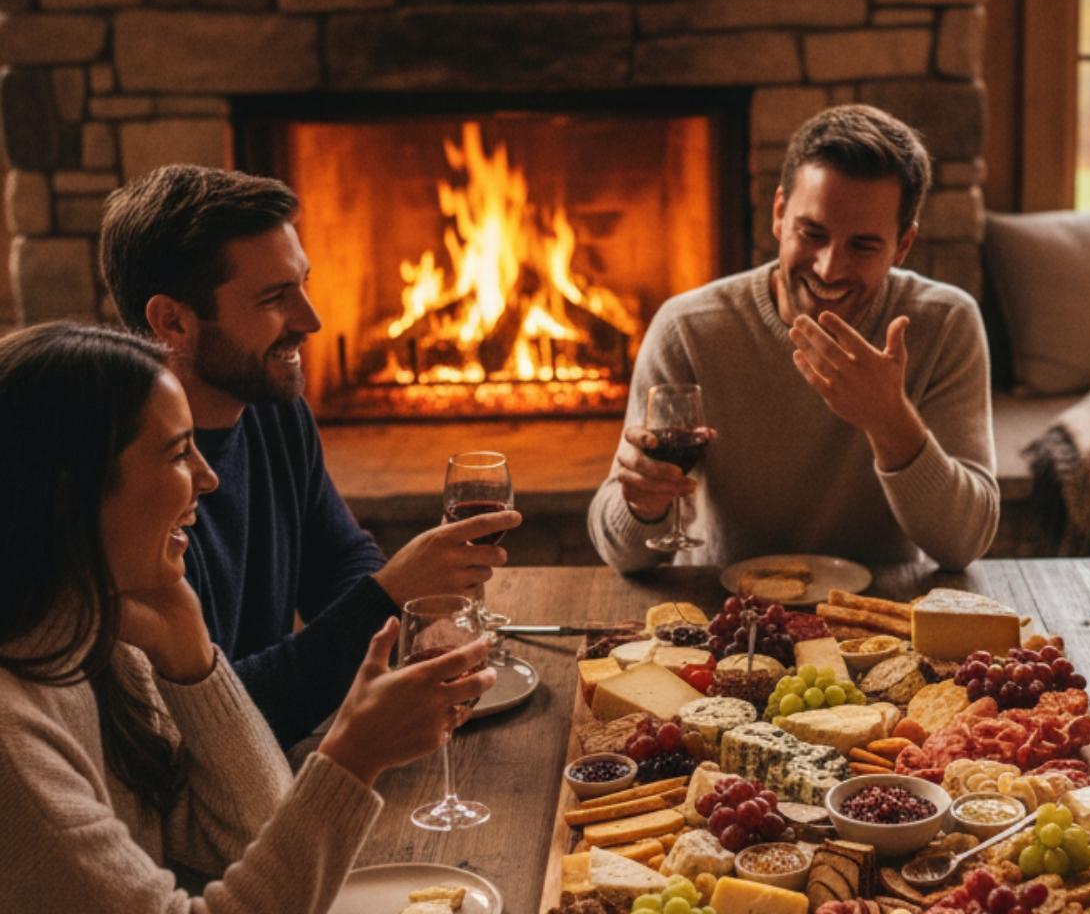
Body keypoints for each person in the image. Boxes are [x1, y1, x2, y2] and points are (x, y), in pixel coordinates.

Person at [0, 322, 496, 911]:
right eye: (178, 453)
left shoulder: (104, 636)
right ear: (70, 493)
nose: (209, 479)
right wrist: (354, 758)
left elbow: (246, 837)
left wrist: (194, 661)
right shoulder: (14, 742)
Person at [100, 165, 521, 746]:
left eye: (303, 283)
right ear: (173, 320)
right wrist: (389, 595)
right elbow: (209, 724)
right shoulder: (127, 482)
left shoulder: (270, 405)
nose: (312, 320)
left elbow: (337, 559)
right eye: (275, 298)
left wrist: (415, 627)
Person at [588, 104, 998, 572]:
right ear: (780, 215)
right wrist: (644, 504)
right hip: (724, 616)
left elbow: (964, 544)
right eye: (812, 233)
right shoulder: (689, 328)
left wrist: (889, 420)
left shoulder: (944, 324)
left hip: (885, 621)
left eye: (862, 245)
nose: (829, 267)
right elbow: (623, 556)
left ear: (902, 245)